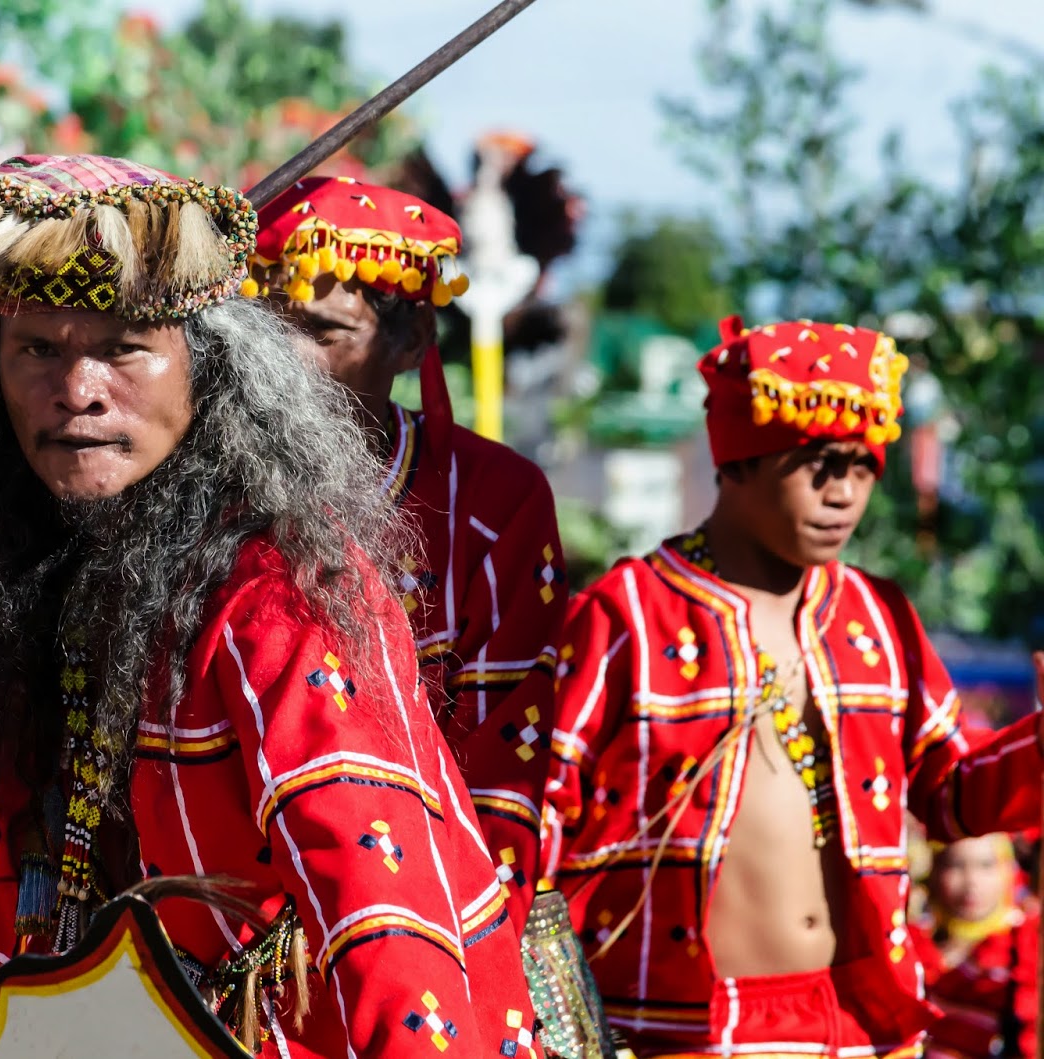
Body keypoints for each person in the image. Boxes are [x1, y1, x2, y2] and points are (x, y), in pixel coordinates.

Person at [0, 154, 539, 1058]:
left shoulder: (276, 592)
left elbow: (380, 907)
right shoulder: (25, 555)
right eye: (38, 350)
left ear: (210, 372)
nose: (77, 390)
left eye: (124, 345)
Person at [541, 315, 1044, 1057]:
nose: (844, 491)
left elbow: (948, 792)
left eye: (863, 466)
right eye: (817, 463)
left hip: (859, 1023)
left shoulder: (879, 614)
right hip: (676, 1029)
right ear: (738, 460)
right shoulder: (629, 614)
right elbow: (535, 816)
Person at [247, 177, 566, 947]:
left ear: (411, 340)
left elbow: (500, 774)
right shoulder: (190, 487)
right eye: (262, 328)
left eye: (320, 332)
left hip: (427, 917)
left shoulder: (493, 503)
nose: (279, 365)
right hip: (227, 920)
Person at [914, 833, 1037, 1059]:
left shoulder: (1026, 947)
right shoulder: (908, 945)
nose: (971, 881)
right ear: (934, 870)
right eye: (956, 865)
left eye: (986, 865)